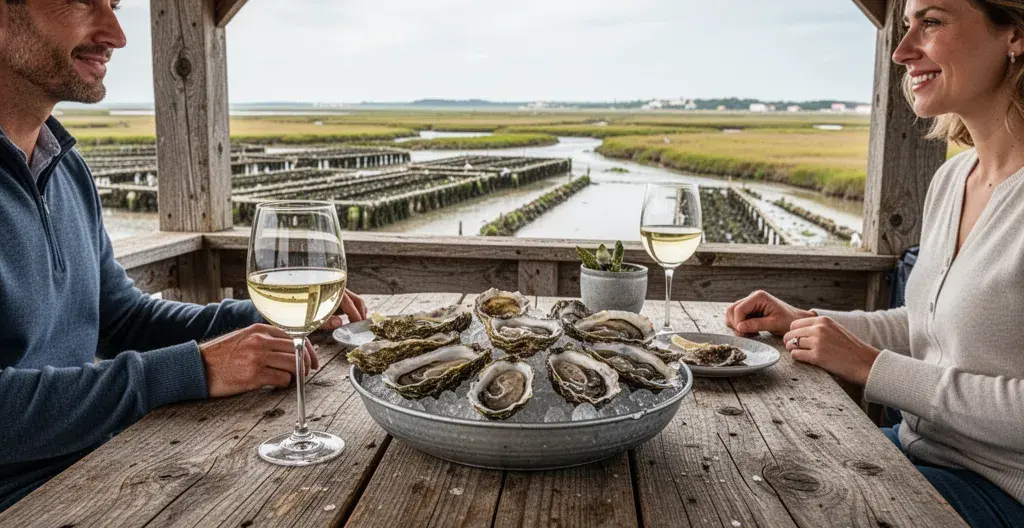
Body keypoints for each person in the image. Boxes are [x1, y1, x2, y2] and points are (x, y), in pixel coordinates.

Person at [0, 0, 368, 512]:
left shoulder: (64, 166)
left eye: (116, 4)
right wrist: (193, 369)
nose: (116, 34)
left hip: (98, 467)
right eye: (84, 2)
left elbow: (123, 318)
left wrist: (263, 317)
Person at [725, 1, 1024, 525]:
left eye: (931, 22)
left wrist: (868, 367)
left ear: (1015, 36)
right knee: (748, 470)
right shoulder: (953, 181)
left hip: (1002, 492)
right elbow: (929, 326)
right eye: (906, 25)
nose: (903, 51)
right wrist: (809, 322)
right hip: (915, 451)